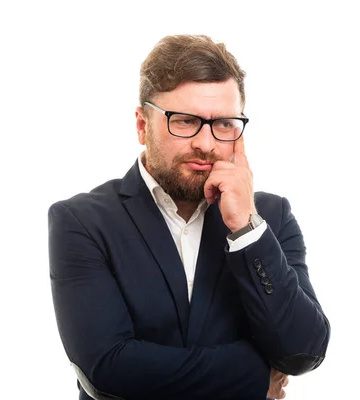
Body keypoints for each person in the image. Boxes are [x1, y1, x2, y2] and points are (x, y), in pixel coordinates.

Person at [48, 34, 330, 400]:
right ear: (141, 125)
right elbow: (108, 368)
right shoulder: (81, 221)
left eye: (224, 123)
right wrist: (256, 373)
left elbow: (303, 350)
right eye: (184, 121)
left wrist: (246, 228)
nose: (207, 143)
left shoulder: (270, 218)